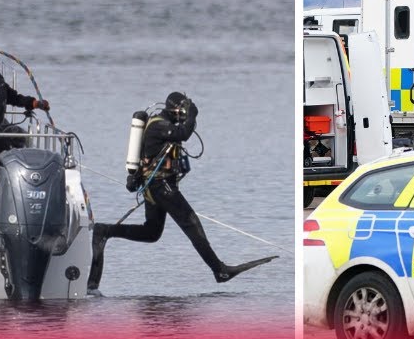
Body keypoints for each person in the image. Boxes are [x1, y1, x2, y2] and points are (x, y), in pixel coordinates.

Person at [87, 92, 275, 292]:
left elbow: (179, 137)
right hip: (160, 186)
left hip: (157, 186)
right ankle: (220, 270)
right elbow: (183, 133)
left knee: (152, 233)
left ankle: (104, 231)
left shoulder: (166, 125)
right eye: (183, 110)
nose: (184, 115)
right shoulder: (159, 125)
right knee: (191, 222)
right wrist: (193, 115)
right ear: (173, 109)